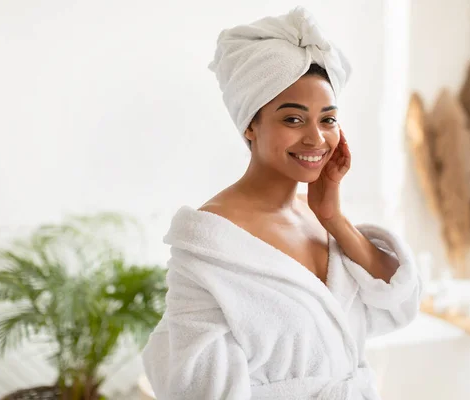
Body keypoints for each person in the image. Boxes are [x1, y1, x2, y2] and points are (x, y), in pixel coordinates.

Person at [142, 6, 421, 400]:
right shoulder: (210, 245)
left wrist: (335, 219)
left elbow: (398, 304)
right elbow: (198, 386)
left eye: (328, 119)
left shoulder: (319, 218)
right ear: (250, 125)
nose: (316, 139)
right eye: (293, 119)